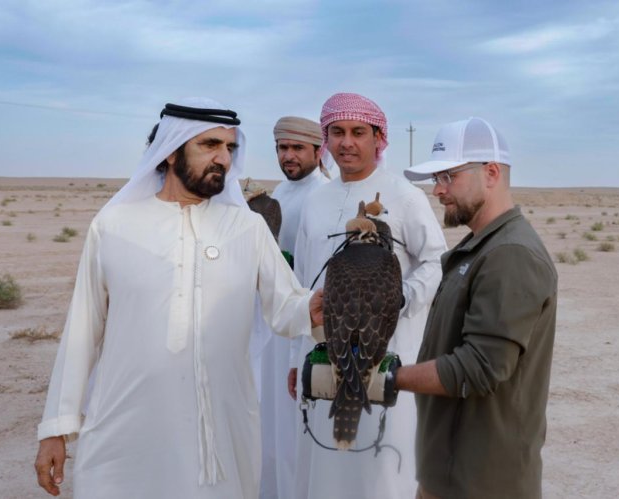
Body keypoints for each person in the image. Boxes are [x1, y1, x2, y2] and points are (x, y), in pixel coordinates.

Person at [33, 98, 325, 499]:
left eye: (230, 147)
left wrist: (314, 308)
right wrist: (56, 429)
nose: (224, 158)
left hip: (219, 432)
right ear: (171, 151)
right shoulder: (114, 226)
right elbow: (82, 331)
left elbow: (287, 307)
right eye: (210, 145)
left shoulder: (247, 228)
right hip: (126, 431)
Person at [290, 93, 447, 499]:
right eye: (337, 132)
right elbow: (304, 285)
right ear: (326, 138)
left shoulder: (404, 196)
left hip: (387, 354)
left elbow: (436, 261)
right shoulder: (315, 201)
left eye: (358, 132)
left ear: (378, 138)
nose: (347, 143)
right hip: (325, 354)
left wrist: (400, 298)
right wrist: (296, 358)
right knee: (325, 469)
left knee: (382, 474)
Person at [399, 117, 558, 499]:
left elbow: (479, 367)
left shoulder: (510, 254)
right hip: (449, 472)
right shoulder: (481, 247)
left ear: (491, 173)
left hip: (484, 481)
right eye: (436, 178)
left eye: (448, 176)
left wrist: (388, 378)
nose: (438, 190)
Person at [257, 116, 330, 499]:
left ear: (318, 151)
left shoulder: (324, 196)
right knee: (269, 425)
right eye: (282, 148)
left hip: (303, 326)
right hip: (272, 324)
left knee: (293, 430)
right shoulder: (280, 192)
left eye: (297, 148)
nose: (288, 155)